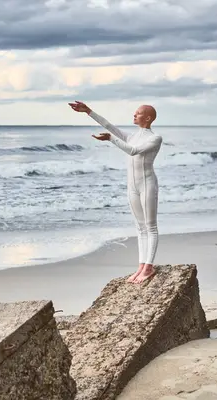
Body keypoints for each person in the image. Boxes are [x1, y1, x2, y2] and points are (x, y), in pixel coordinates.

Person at [68, 101, 163, 283]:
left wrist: (111, 139)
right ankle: (141, 265)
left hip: (147, 185)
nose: (134, 115)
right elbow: (109, 126)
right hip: (132, 187)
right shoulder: (133, 136)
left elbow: (134, 151)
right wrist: (88, 111)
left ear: (148, 118)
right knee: (139, 227)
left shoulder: (154, 138)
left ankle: (149, 267)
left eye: (138, 113)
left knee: (150, 226)